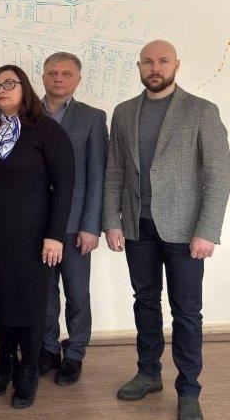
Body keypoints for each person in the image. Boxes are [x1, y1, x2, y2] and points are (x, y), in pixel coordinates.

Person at [103, 40, 230, 420]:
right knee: (144, 301)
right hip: (137, 227)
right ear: (139, 66)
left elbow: (219, 176)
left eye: (162, 61)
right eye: (148, 62)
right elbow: (114, 172)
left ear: (176, 65)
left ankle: (189, 390)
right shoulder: (124, 112)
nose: (155, 68)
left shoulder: (202, 111)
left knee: (186, 312)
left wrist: (207, 230)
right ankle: (148, 373)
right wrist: (112, 221)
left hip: (185, 231)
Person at [0, 64, 74, 409]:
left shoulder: (45, 130)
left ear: (25, 88)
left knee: (30, 303)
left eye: (10, 83)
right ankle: (5, 364)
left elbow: (65, 184)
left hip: (33, 236)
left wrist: (55, 235)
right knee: (1, 299)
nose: (2, 90)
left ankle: (28, 370)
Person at [38, 52, 108, 385]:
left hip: (76, 224)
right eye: (52, 72)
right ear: (43, 77)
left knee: (77, 294)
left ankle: (75, 353)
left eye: (66, 73)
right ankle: (48, 349)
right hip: (37, 223)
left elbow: (97, 175)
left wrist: (91, 226)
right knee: (44, 294)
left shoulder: (92, 118)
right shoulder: (26, 113)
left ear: (78, 80)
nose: (59, 78)